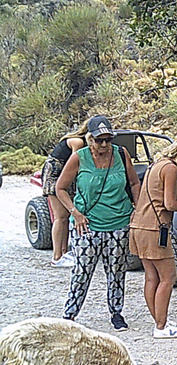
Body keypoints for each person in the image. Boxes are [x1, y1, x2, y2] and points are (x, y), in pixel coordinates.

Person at [55, 115, 140, 331]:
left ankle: (116, 313)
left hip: (119, 222)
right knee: (82, 272)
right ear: (89, 138)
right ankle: (70, 314)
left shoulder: (121, 154)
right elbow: (60, 188)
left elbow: (133, 182)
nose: (104, 144)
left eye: (107, 139)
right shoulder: (79, 157)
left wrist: (137, 210)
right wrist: (75, 213)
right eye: (99, 140)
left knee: (116, 271)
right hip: (88, 224)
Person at [129, 137, 177, 339]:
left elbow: (160, 198)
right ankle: (162, 327)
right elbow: (170, 204)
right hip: (155, 229)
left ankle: (159, 321)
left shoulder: (157, 164)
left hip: (138, 225)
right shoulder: (171, 169)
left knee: (151, 277)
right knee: (168, 277)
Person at [41, 120, 89, 267]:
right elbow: (75, 162)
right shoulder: (77, 142)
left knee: (66, 217)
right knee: (60, 216)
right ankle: (56, 257)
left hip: (64, 174)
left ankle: (64, 252)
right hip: (56, 174)